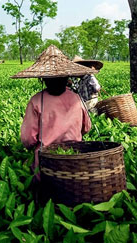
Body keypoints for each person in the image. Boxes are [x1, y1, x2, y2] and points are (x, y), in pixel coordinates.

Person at [11, 45, 97, 181]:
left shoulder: (36, 100)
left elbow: (28, 139)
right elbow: (86, 128)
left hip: (46, 162)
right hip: (74, 159)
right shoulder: (76, 98)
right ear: (66, 78)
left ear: (43, 79)